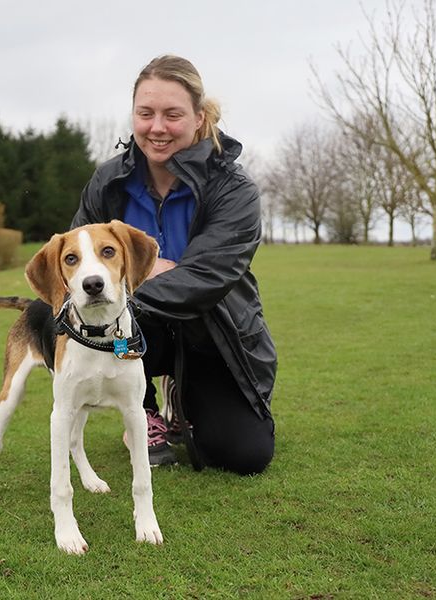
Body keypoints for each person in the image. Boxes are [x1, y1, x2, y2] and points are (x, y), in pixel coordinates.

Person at [70, 55, 276, 474]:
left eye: (172, 114)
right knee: (125, 320)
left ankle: (182, 395)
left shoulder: (234, 189)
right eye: (145, 114)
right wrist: (151, 271)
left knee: (244, 455)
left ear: (199, 118)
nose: (157, 127)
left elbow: (205, 277)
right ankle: (142, 410)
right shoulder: (108, 184)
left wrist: (139, 279)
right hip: (137, 336)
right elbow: (77, 261)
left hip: (213, 334)